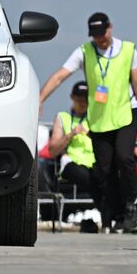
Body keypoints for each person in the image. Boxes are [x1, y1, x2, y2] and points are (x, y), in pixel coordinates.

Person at [40, 13, 137, 231]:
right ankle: (115, 212)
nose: (100, 39)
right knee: (104, 169)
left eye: (102, 34)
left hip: (125, 115)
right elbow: (61, 75)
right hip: (100, 119)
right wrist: (40, 98)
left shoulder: (128, 50)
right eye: (95, 36)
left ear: (110, 28)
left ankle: (131, 204)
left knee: (124, 157)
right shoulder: (84, 51)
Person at [45, 82, 96, 226]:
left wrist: (90, 134)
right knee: (87, 177)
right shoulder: (62, 117)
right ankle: (100, 210)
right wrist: (71, 134)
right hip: (70, 163)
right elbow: (52, 150)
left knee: (102, 175)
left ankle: (103, 214)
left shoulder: (94, 119)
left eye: (85, 99)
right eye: (79, 99)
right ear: (72, 98)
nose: (82, 103)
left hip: (93, 162)